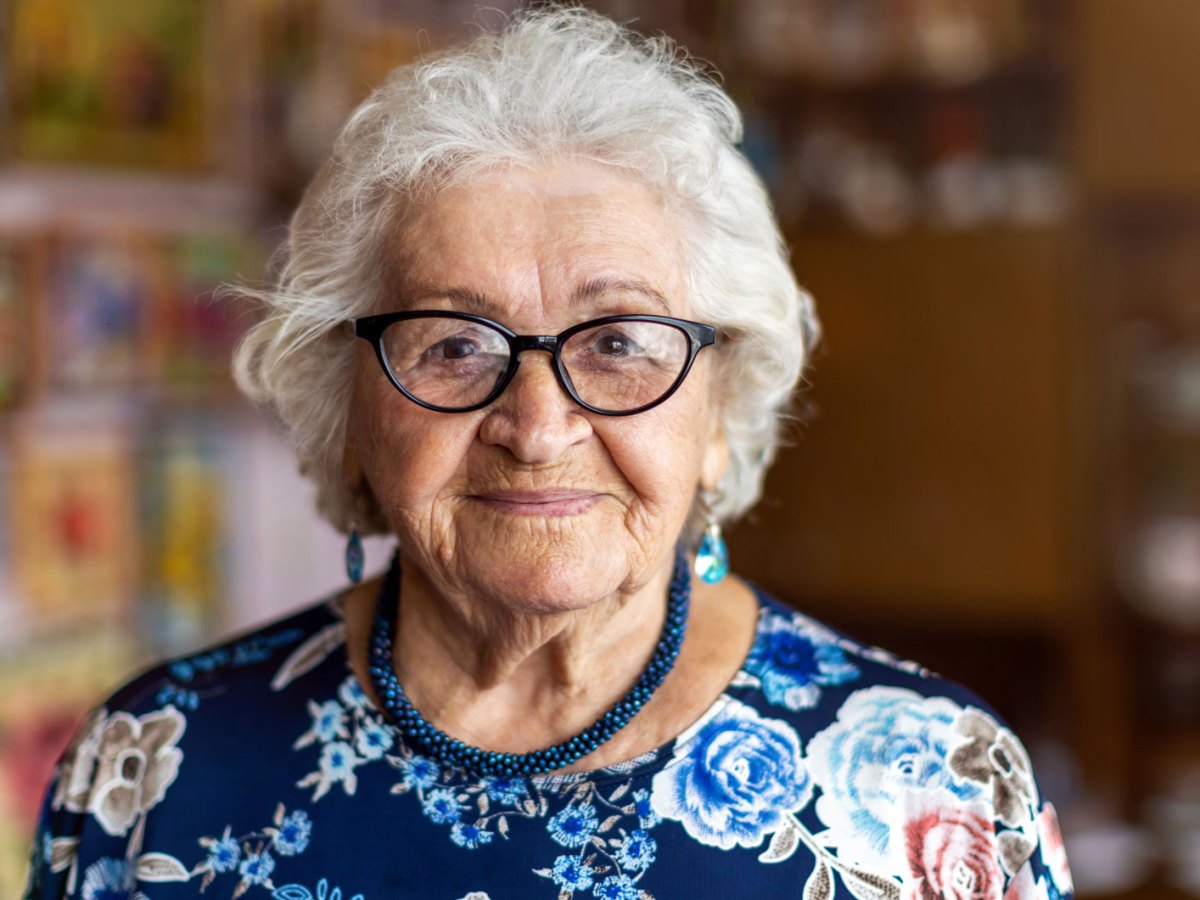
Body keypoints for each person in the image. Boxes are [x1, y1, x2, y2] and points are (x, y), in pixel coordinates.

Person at [25, 9, 1072, 899]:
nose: (537, 425)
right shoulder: (155, 765)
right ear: (351, 414)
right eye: (452, 346)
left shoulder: (933, 789)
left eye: (618, 342)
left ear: (718, 416)